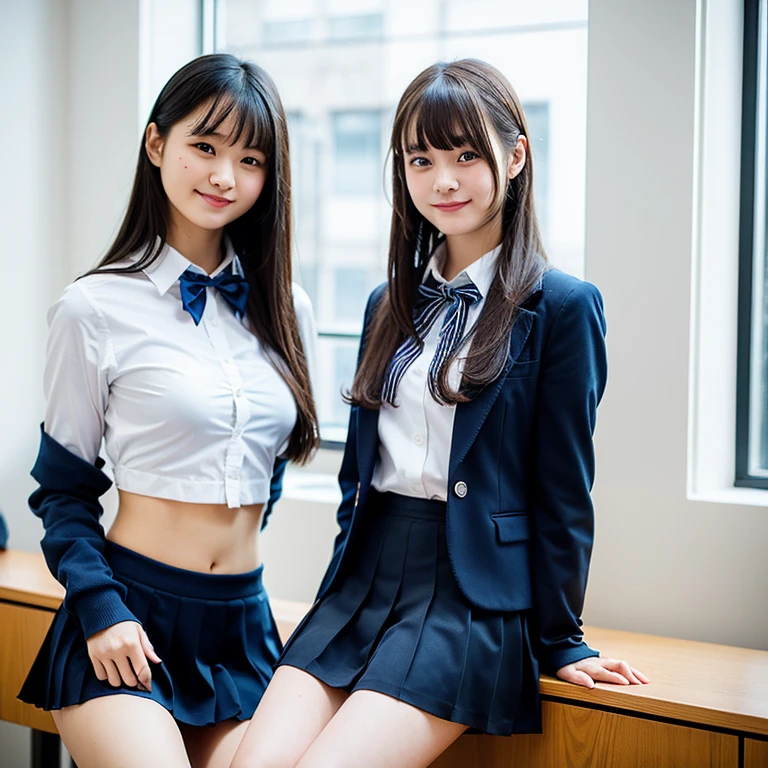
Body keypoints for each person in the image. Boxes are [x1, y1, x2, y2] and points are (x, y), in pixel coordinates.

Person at [231, 58, 649, 768]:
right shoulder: (385, 306)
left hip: (469, 601)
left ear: (515, 156)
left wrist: (561, 638)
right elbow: (357, 480)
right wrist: (343, 580)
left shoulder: (563, 308)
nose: (443, 181)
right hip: (362, 584)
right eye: (420, 159)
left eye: (465, 155)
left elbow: (564, 489)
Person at [18, 53, 318, 768]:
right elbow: (63, 491)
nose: (224, 176)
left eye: (250, 159)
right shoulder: (93, 307)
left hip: (243, 627)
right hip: (124, 617)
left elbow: (264, 473)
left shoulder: (290, 310)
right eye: (204, 147)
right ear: (157, 145)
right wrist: (100, 609)